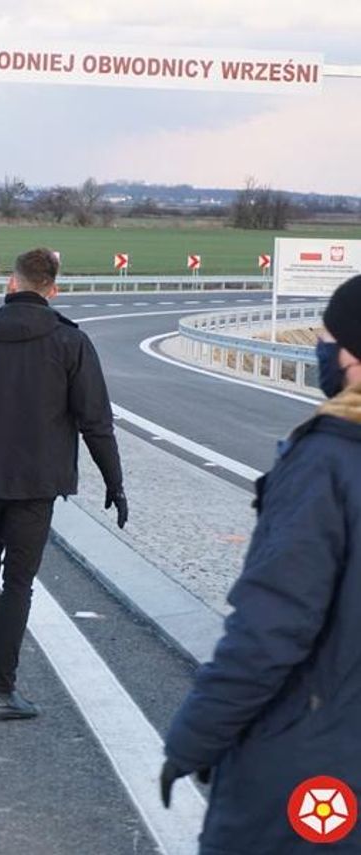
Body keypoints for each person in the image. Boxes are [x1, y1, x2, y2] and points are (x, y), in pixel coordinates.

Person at [160, 275, 361, 852]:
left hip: (317, 771)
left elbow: (269, 631)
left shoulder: (326, 462)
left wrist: (195, 740)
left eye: (328, 337)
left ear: (351, 357)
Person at [0, 247, 126, 720]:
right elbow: (96, 420)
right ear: (53, 290)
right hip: (37, 484)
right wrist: (114, 482)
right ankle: (2, 688)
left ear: (12, 283)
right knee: (18, 581)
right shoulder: (70, 343)